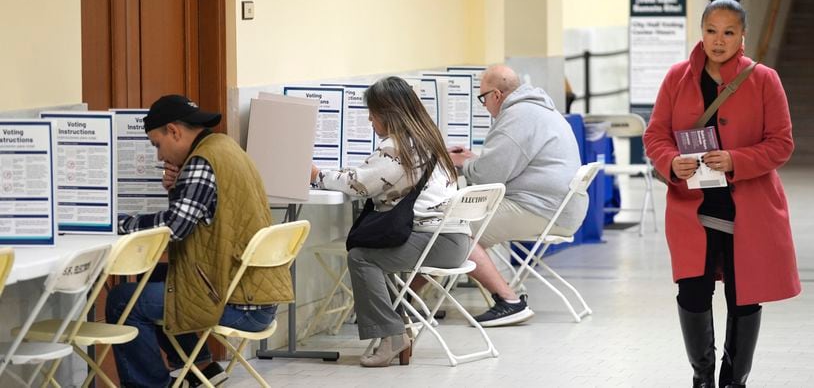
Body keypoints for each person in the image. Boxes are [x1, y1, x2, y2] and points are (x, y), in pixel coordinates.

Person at [643, 0, 800, 388]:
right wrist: (670, 162)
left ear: (743, 36)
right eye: (711, 30)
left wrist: (736, 160)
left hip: (749, 212)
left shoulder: (764, 79)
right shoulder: (677, 78)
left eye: (729, 32)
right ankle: (702, 379)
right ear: (701, 31)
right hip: (691, 211)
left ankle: (735, 381)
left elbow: (781, 144)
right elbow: (655, 135)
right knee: (692, 296)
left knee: (744, 298)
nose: (719, 40)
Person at [106, 95, 291, 388]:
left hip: (239, 304)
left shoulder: (202, 162)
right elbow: (199, 218)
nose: (159, 156)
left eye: (157, 144)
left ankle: (152, 385)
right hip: (254, 294)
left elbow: (174, 227)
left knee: (122, 301)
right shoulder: (225, 147)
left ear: (174, 131)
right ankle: (202, 366)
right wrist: (177, 188)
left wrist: (118, 224)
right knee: (152, 277)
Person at [310, 76, 468, 368]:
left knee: (362, 257)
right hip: (454, 240)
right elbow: (371, 176)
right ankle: (400, 330)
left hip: (436, 240)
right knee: (380, 252)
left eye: (373, 112)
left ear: (388, 113)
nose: (369, 119)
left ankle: (392, 335)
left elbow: (359, 184)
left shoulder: (398, 147)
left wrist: (315, 174)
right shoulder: (427, 139)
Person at [448, 64, 587, 327]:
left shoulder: (517, 116)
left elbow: (489, 176)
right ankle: (511, 293)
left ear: (497, 95)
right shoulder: (537, 108)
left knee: (454, 230)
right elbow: (506, 164)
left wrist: (463, 164)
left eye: (483, 98)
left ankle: (508, 301)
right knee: (473, 224)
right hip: (560, 206)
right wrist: (473, 160)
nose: (484, 105)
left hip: (543, 208)